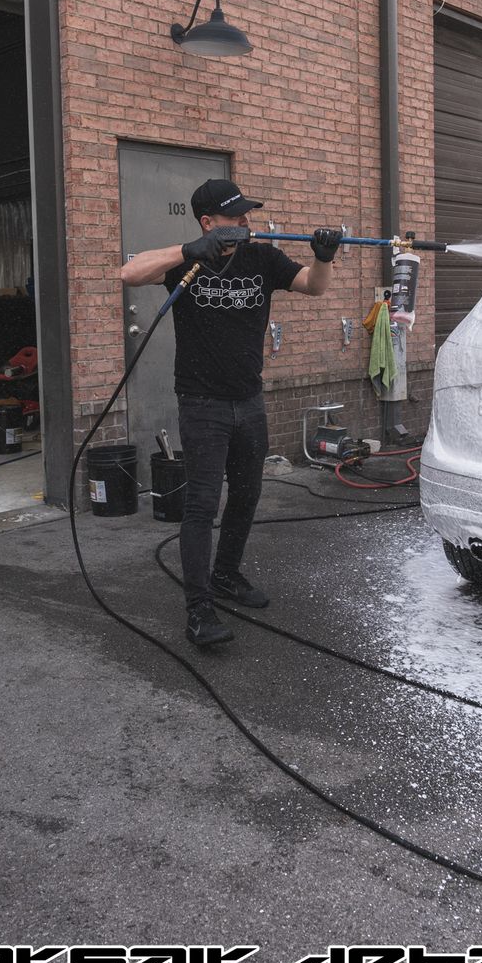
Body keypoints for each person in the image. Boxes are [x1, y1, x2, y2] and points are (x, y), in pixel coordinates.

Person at [118, 178, 341, 646]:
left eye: (246, 213)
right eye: (235, 215)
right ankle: (198, 609)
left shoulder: (262, 258)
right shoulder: (189, 261)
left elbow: (313, 287)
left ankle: (226, 574)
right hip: (201, 404)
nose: (245, 221)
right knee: (201, 505)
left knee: (246, 494)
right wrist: (191, 249)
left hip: (249, 400)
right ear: (208, 222)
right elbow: (129, 273)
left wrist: (323, 257)